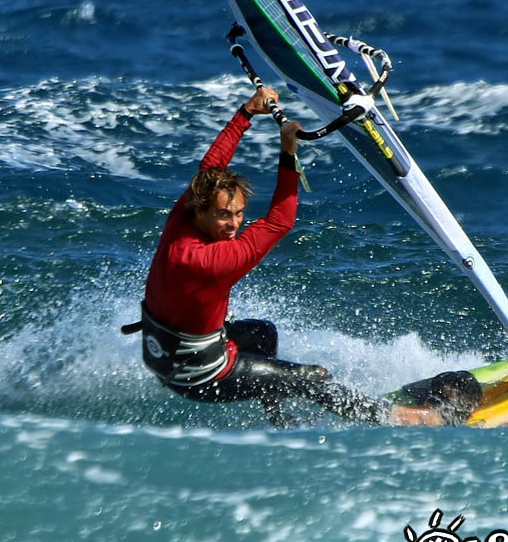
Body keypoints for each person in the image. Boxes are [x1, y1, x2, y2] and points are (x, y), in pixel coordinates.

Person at [128, 87, 479, 426]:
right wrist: (287, 151)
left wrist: (247, 112)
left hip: (162, 354)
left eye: (238, 213)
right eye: (223, 215)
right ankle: (415, 419)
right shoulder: (213, 262)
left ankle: (278, 415)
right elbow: (280, 221)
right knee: (311, 377)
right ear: (201, 210)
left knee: (262, 334)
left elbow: (211, 167)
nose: (233, 224)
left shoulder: (182, 217)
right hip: (200, 377)